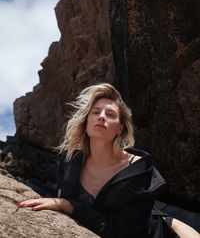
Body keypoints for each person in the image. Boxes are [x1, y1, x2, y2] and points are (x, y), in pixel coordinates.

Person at [18, 83, 200, 237]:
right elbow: (62, 203)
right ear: (86, 122)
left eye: (110, 115)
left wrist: (69, 206)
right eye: (96, 112)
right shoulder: (69, 161)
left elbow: (120, 233)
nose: (102, 116)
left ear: (119, 129)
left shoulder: (138, 170)